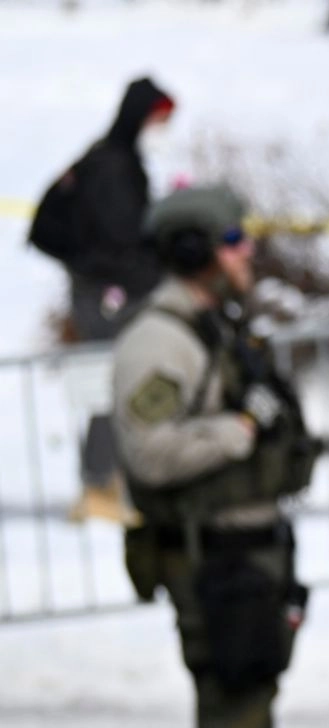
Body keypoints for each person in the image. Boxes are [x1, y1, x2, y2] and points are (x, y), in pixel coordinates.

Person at [111, 184, 322, 728]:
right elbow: (149, 452)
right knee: (234, 725)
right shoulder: (161, 340)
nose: (247, 251)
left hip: (249, 552)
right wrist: (238, 431)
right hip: (213, 561)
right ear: (195, 249)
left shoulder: (217, 327)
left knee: (242, 723)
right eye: (232, 238)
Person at [29, 77, 176, 525]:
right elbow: (120, 243)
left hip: (107, 291)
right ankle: (99, 484)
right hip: (107, 296)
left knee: (119, 382)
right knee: (113, 384)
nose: (163, 130)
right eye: (159, 121)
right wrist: (156, 273)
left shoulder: (112, 159)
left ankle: (109, 481)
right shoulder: (113, 167)